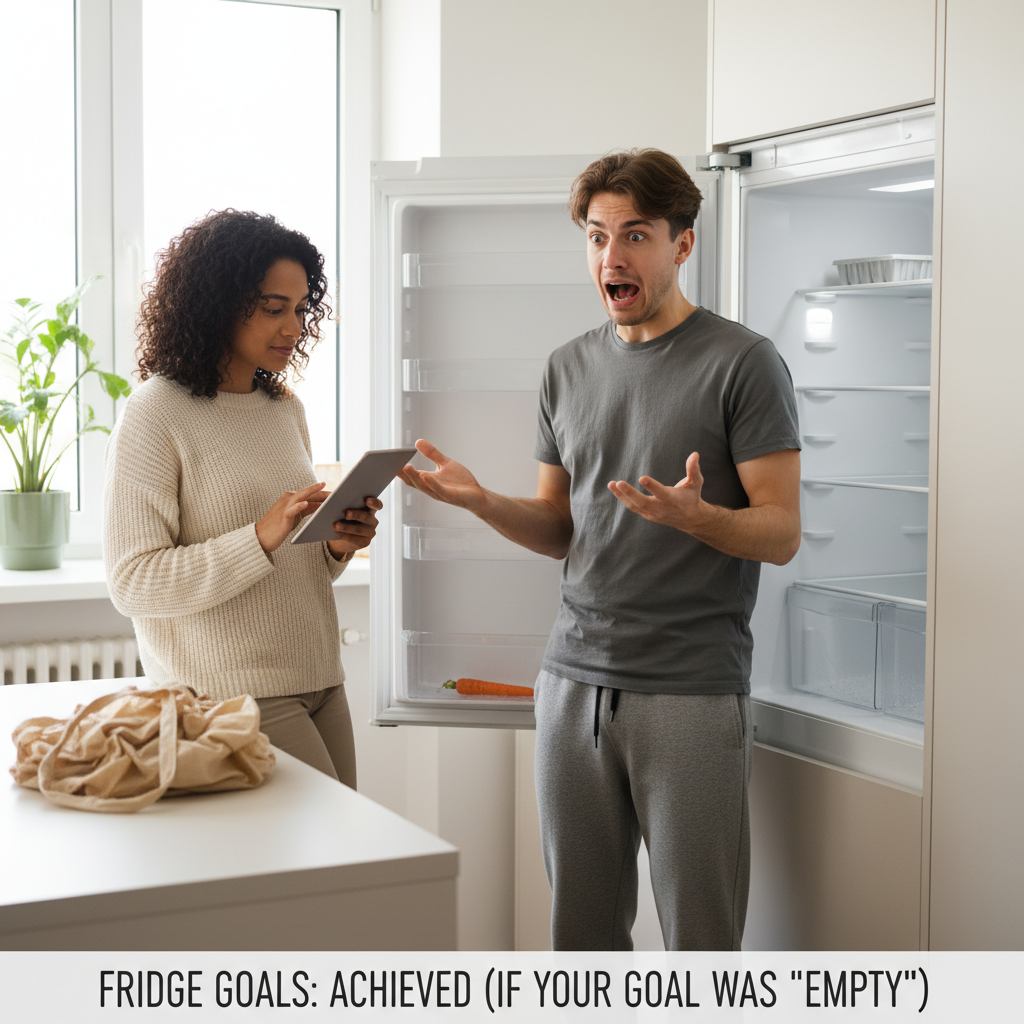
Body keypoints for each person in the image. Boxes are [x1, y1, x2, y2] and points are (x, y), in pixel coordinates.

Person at [399, 149, 802, 950]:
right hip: (570, 686)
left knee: (701, 939)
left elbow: (781, 532)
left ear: (682, 245)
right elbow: (560, 526)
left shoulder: (743, 363)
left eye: (636, 235)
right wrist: (482, 503)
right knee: (581, 937)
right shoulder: (566, 368)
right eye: (596, 236)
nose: (611, 257)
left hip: (690, 690)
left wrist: (702, 520)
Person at [102, 209, 379, 788]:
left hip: (321, 675)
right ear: (216, 304)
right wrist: (258, 535)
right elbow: (133, 581)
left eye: (301, 308)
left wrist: (335, 545)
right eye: (273, 307)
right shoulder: (156, 412)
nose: (293, 326)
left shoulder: (284, 410)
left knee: (343, 862)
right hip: (230, 690)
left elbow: (286, 573)